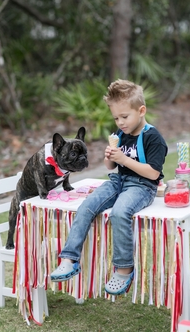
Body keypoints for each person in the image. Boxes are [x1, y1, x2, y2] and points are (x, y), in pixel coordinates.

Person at [50, 79, 168, 295]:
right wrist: (110, 158)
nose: (120, 122)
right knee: (87, 206)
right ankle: (69, 258)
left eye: (124, 117)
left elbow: (153, 173)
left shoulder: (153, 138)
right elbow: (111, 166)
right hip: (118, 181)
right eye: (116, 117)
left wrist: (123, 159)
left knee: (119, 213)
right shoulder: (121, 134)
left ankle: (124, 268)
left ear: (141, 110)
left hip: (142, 186)